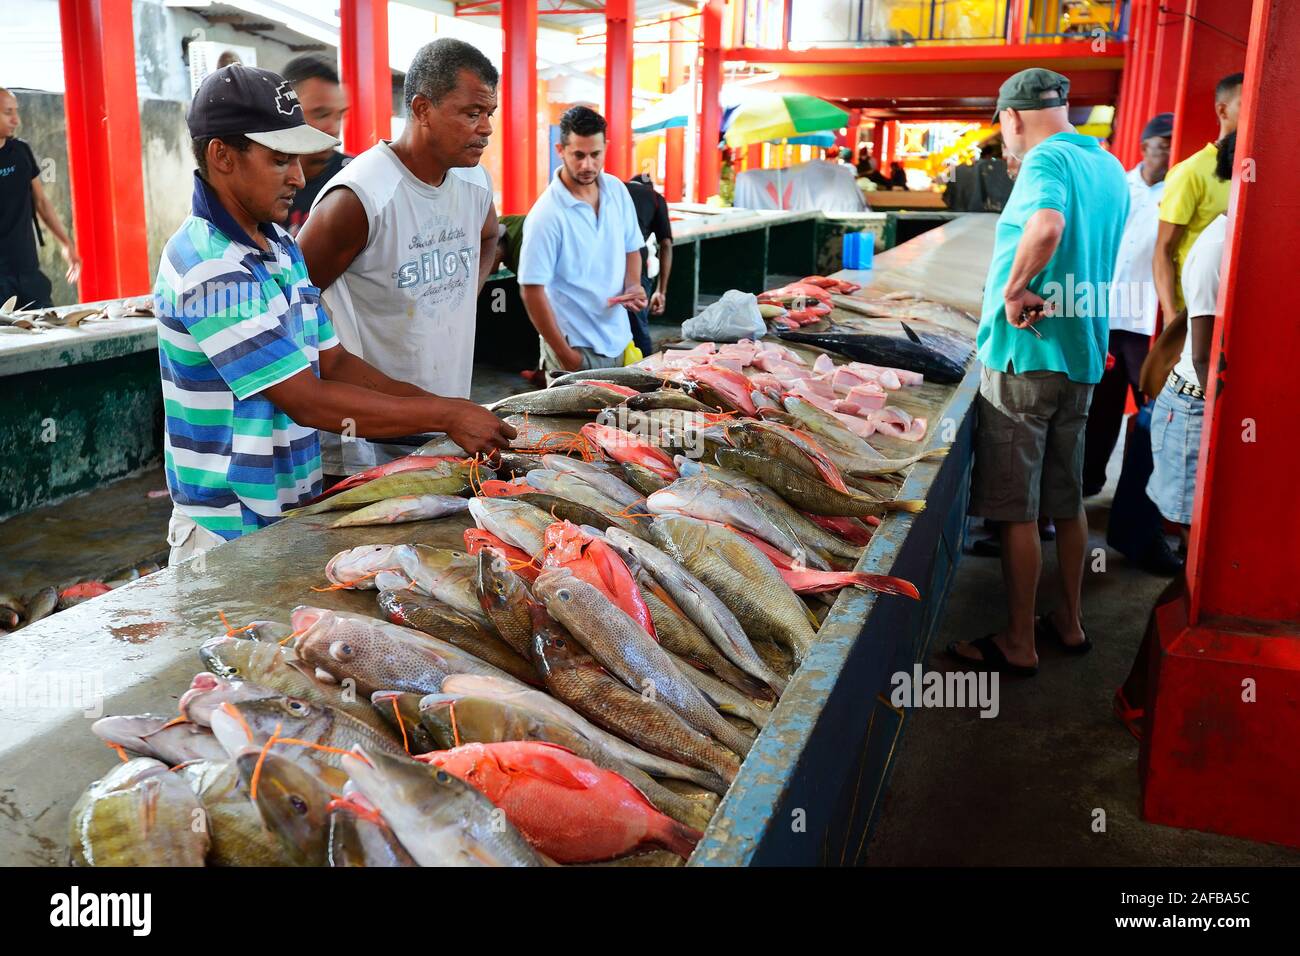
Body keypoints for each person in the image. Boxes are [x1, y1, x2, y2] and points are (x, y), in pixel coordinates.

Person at [156, 65, 512, 564]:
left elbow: (336, 363)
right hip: (227, 528)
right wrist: (445, 414)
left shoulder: (279, 245)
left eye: (299, 161)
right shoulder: (209, 267)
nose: (299, 178)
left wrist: (449, 414)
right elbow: (307, 400)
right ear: (222, 156)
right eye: (280, 161)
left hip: (290, 513)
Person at [948, 68, 1128, 676]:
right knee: (1067, 498)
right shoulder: (1108, 167)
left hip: (1026, 356)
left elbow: (1047, 226)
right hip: (1081, 357)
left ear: (1013, 116)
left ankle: (1020, 641)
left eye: (1003, 125)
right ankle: (1070, 624)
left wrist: (1015, 287)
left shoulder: (1044, 162)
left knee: (1018, 510)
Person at [298, 39, 502, 480]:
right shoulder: (360, 196)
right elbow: (291, 300)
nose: (485, 128)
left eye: (490, 114)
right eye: (472, 113)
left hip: (449, 423)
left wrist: (465, 293)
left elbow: (490, 237)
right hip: (365, 443)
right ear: (423, 109)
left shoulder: (475, 183)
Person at [1116, 136, 1236, 740]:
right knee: (1196, 570)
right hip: (1191, 411)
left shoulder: (1241, 233)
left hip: (1194, 408)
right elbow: (1208, 357)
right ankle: (1138, 693)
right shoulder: (1220, 245)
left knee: (1199, 567)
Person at [517, 106, 646, 378]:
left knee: (623, 420)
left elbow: (631, 247)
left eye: (595, 155)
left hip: (620, 340)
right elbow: (531, 290)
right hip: (575, 348)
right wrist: (567, 357)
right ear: (560, 150)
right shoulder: (547, 215)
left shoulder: (617, 191)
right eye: (578, 155)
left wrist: (633, 284)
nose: (588, 165)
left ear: (605, 148)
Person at [1081, 113, 1173, 496]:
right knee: (1100, 408)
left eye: (1172, 143)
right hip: (1106, 313)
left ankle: (1139, 500)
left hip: (1146, 322)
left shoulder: (1176, 191)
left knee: (1153, 409)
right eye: (1162, 143)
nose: (1168, 151)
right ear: (1144, 147)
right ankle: (1088, 485)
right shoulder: (1119, 186)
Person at [1145, 73, 1242, 396]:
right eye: (1246, 103)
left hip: (1235, 318)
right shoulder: (1190, 172)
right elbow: (1162, 251)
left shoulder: (1254, 169)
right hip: (1195, 318)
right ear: (1223, 111)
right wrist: (1173, 320)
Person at [0, 87, 80, 307]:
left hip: (28, 271)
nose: (16, 120)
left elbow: (42, 203)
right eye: (8, 112)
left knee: (50, 333)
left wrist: (66, 243)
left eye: (16, 111)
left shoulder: (21, 151)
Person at [281, 54, 352, 236]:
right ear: (286, 113)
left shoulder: (355, 179)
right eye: (321, 114)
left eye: (339, 116)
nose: (334, 128)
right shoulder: (258, 185)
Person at [624, 172, 673, 356]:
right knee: (637, 324)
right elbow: (666, 245)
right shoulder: (655, 198)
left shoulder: (617, 189)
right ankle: (644, 371)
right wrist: (661, 291)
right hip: (635, 267)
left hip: (604, 263)